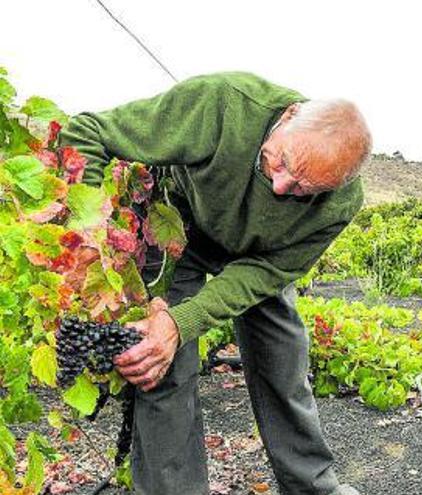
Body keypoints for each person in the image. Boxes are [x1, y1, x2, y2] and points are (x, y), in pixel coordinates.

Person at [59, 72, 370, 495]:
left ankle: (313, 486)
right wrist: (87, 236)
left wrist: (185, 320)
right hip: (179, 232)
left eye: (301, 188)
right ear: (289, 115)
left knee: (284, 360)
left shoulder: (340, 202)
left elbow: (267, 272)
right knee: (160, 359)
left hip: (260, 256)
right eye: (281, 163)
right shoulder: (223, 105)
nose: (280, 186)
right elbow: (89, 131)